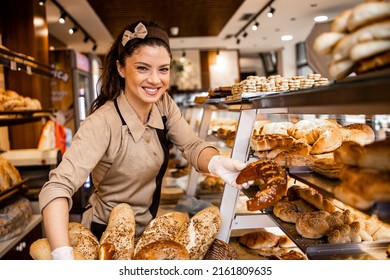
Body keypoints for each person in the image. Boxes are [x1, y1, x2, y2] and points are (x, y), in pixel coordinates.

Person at [39, 20, 252, 260]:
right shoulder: (102, 123)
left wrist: (215, 163)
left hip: (148, 235)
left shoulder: (163, 105)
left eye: (163, 69)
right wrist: (62, 254)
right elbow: (57, 187)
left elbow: (191, 145)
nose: (155, 80)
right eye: (142, 68)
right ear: (121, 68)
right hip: (104, 239)